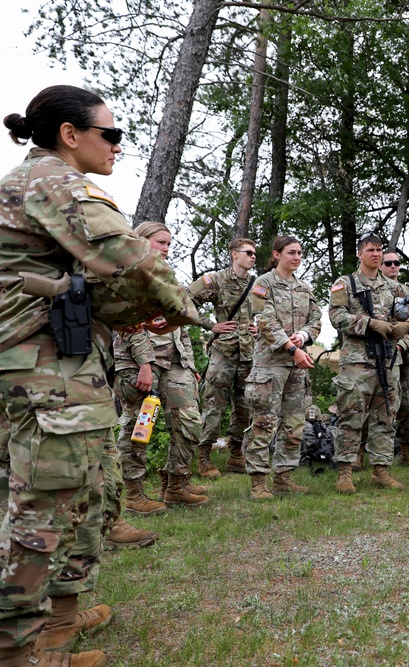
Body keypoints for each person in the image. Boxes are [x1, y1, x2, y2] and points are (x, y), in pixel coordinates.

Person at [0, 85, 200, 666]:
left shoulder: (26, 182)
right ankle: (24, 654)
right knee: (42, 511)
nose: (117, 145)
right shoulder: (54, 182)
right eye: (110, 134)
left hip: (36, 366)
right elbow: (133, 260)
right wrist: (186, 313)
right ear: (71, 134)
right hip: (40, 373)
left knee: (55, 498)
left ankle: (55, 626)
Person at [114, 222, 209, 510]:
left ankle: (177, 485)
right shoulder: (127, 278)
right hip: (138, 363)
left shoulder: (168, 279)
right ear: (141, 241)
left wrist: (189, 364)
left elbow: (180, 325)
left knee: (189, 421)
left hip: (175, 362)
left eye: (169, 243)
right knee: (140, 425)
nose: (166, 248)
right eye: (160, 242)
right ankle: (133, 494)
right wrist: (144, 363)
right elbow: (129, 325)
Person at [328, 233, 409, 493]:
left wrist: (408, 325)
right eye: (371, 250)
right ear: (360, 254)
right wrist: (369, 323)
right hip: (357, 362)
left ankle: (381, 469)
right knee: (351, 416)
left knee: (386, 417)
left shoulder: (395, 287)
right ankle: (345, 472)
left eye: (380, 250)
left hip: (388, 360)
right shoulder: (345, 283)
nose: (377, 254)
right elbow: (336, 316)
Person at [243, 235, 322, 500]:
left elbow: (316, 318)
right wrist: (291, 348)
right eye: (291, 252)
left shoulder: (304, 288)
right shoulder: (263, 284)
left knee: (293, 425)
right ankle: (258, 482)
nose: (297, 257)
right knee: (264, 423)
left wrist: (304, 336)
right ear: (277, 255)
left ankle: (283, 479)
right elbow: (264, 321)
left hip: (297, 368)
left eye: (300, 253)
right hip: (270, 367)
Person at [188, 237, 258, 476]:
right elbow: (185, 301)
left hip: (248, 353)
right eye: (248, 252)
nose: (252, 256)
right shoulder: (216, 280)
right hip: (223, 352)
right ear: (234, 254)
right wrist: (210, 325)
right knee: (214, 404)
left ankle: (236, 453)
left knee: (245, 405)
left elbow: (267, 313)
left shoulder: (257, 284)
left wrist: (260, 327)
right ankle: (204, 457)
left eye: (254, 253)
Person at [378, 250, 409, 467]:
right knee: (374, 401)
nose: (394, 266)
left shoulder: (408, 292)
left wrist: (402, 344)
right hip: (376, 355)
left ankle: (406, 451)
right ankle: (360, 452)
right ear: (380, 265)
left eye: (397, 263)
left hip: (404, 356)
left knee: (405, 403)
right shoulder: (373, 289)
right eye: (389, 263)